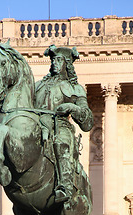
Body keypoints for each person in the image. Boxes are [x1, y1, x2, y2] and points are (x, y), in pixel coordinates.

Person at [35, 45, 94, 203]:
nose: (54, 63)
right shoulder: (38, 86)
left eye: (59, 60)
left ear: (67, 63)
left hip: (59, 126)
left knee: (61, 142)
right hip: (36, 124)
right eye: (53, 60)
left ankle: (65, 185)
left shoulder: (74, 88)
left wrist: (71, 107)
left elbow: (87, 121)